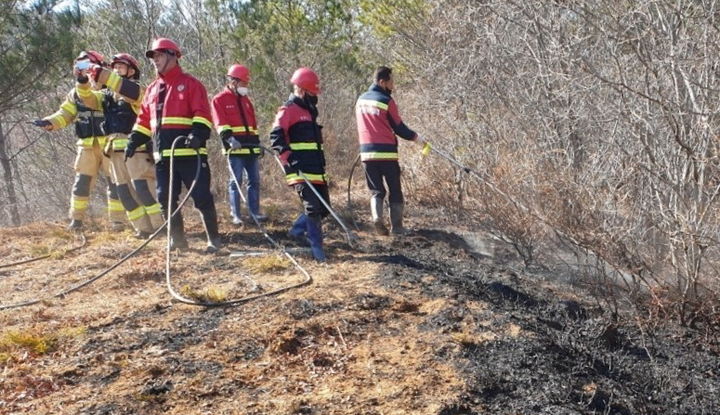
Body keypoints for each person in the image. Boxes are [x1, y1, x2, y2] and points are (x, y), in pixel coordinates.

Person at [125, 38, 221, 252]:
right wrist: (134, 140)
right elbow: (143, 120)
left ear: (173, 55)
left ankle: (214, 240)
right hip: (162, 157)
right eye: (153, 57)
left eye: (159, 56)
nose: (155, 61)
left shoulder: (191, 84)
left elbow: (202, 114)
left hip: (190, 154)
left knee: (201, 196)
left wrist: (198, 135)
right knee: (165, 198)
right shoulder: (150, 90)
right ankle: (177, 240)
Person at [34, 50, 125, 231]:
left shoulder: (110, 88)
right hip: (86, 146)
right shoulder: (75, 93)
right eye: (79, 66)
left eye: (86, 65)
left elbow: (101, 102)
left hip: (109, 144)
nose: (82, 70)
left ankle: (118, 222)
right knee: (81, 184)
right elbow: (65, 114)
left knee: (115, 183)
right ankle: (76, 220)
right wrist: (50, 122)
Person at [76, 53, 163, 238]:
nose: (116, 70)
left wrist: (102, 73)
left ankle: (161, 226)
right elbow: (87, 99)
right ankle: (143, 228)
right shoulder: (106, 96)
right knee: (124, 193)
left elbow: (127, 90)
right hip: (114, 152)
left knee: (144, 190)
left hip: (136, 151)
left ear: (132, 71)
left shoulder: (138, 91)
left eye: (120, 67)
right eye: (113, 67)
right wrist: (82, 80)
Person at [355, 66, 423, 235]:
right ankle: (397, 228)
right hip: (386, 153)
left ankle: (377, 218)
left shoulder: (360, 100)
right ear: (382, 82)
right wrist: (416, 138)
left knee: (376, 190)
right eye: (391, 81)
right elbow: (399, 128)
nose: (393, 85)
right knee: (395, 190)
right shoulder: (387, 101)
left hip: (366, 154)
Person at [269, 67, 328, 261]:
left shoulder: (309, 111)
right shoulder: (288, 110)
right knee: (312, 208)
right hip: (299, 168)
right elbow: (275, 137)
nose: (314, 97)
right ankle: (317, 248)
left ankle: (296, 231)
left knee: (324, 208)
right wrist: (289, 158)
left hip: (316, 168)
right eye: (312, 93)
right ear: (302, 91)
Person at [211, 64, 267, 226]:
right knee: (235, 181)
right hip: (234, 149)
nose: (245, 87)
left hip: (250, 147)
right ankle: (236, 214)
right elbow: (220, 123)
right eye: (243, 83)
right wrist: (230, 140)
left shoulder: (246, 101)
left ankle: (254, 212)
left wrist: (258, 145)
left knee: (254, 180)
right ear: (233, 82)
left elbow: (252, 125)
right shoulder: (219, 100)